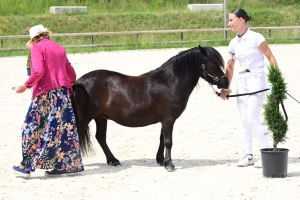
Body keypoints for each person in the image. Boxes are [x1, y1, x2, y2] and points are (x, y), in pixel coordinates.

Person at [13, 24, 84, 177]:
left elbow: (38, 71)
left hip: (46, 94)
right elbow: (71, 73)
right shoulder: (59, 48)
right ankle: (65, 166)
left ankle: (26, 167)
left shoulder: (37, 48)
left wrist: (25, 86)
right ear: (47, 35)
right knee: (62, 131)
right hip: (63, 95)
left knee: (30, 128)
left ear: (34, 39)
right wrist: (66, 81)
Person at [220, 8, 278, 168]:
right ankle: (249, 154)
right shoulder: (233, 43)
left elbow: (271, 59)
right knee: (244, 120)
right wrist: (226, 88)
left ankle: (266, 153)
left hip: (257, 80)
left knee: (253, 118)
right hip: (242, 82)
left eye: (231, 20)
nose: (229, 23)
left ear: (241, 20)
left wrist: (275, 81)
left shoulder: (256, 38)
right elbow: (230, 67)